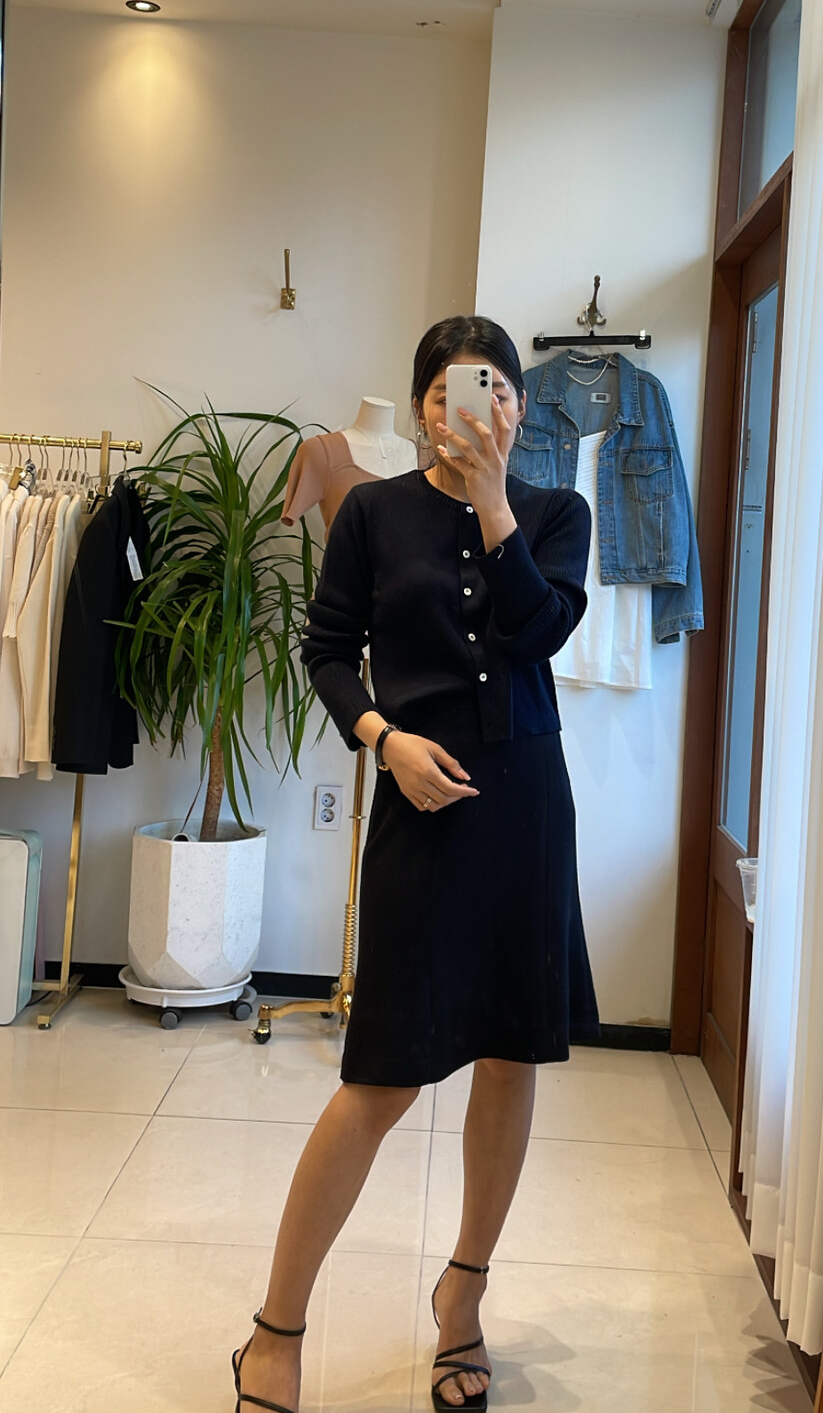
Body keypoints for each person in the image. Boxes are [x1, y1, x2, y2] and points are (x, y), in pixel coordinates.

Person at [232, 316, 599, 1413]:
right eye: (444, 392)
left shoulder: (556, 513)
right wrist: (382, 739)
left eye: (490, 390)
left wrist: (492, 503)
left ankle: (463, 1299)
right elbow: (327, 650)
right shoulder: (374, 512)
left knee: (510, 1058)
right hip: (417, 806)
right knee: (379, 1077)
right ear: (423, 407)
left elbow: (540, 632)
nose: (467, 409)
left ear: (516, 406)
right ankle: (275, 1327)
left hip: (525, 810)